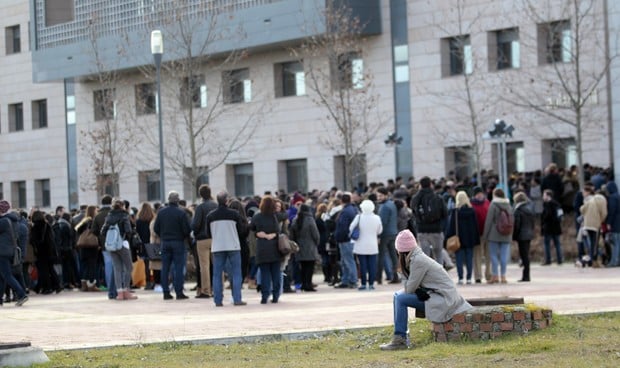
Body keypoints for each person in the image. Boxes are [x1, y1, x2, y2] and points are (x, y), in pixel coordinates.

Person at [379, 229, 472, 350]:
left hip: (444, 300)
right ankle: (399, 337)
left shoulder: (418, 261)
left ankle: (400, 339)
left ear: (400, 250)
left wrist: (401, 272)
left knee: (400, 298)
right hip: (436, 295)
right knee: (397, 296)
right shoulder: (416, 257)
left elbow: (409, 288)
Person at [206, 191, 246, 307]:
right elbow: (241, 230)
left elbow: (208, 233)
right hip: (233, 245)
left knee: (217, 274)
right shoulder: (235, 214)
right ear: (227, 201)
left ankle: (218, 300)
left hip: (217, 246)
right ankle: (237, 298)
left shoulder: (210, 216)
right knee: (236, 273)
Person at [154, 191, 192, 300]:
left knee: (165, 267)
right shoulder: (181, 213)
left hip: (165, 242)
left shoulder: (161, 212)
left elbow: (156, 228)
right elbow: (187, 229)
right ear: (178, 200)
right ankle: (179, 292)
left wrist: (163, 235)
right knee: (178, 268)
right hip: (178, 242)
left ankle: (166, 292)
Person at [101, 199, 136, 301]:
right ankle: (126, 290)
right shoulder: (124, 216)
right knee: (129, 267)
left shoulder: (109, 217)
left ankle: (119, 293)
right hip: (122, 244)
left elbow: (103, 231)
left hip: (112, 246)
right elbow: (128, 231)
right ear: (122, 206)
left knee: (117, 268)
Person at [251, 195, 282, 304]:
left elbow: (252, 228)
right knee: (276, 273)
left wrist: (260, 234)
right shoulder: (275, 216)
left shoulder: (257, 216)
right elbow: (278, 232)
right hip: (274, 248)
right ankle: (276, 296)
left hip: (262, 248)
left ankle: (265, 296)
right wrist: (271, 235)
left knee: (264, 274)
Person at [410, 176, 448, 266]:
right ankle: (439, 276)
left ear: (420, 185)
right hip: (436, 230)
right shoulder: (438, 197)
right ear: (431, 184)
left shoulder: (416, 198)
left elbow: (413, 211)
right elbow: (445, 214)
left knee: (425, 256)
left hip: (422, 230)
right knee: (438, 255)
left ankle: (427, 278)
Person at [444, 191, 480, 285]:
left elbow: (451, 227)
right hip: (470, 239)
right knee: (469, 258)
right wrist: (476, 238)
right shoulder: (472, 211)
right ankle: (469, 278)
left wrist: (447, 237)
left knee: (459, 259)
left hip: (458, 238)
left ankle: (460, 278)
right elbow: (475, 226)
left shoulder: (455, 212)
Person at [191, 184, 218, 299]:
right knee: (217, 265)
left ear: (200, 194)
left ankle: (206, 290)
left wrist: (195, 232)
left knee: (204, 266)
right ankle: (218, 289)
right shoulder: (216, 205)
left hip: (202, 239)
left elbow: (195, 224)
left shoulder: (200, 207)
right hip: (216, 238)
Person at [0, 201, 29, 307]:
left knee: (7, 275)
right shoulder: (14, 220)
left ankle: (21, 294)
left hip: (2, 252)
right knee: (2, 276)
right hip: (10, 251)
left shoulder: (3, 221)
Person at [482, 188, 513, 284]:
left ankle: (495, 276)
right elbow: (512, 219)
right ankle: (503, 276)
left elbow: (489, 221)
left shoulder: (493, 204)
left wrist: (485, 235)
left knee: (493, 255)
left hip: (494, 234)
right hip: (506, 234)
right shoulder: (508, 205)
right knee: (504, 256)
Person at [351, 199, 382, 290]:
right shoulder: (377, 218)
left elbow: (351, 228)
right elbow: (380, 230)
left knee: (362, 265)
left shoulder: (359, 217)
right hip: (373, 245)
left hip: (360, 245)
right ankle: (371, 283)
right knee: (372, 265)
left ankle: (364, 284)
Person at [289, 204, 320, 292]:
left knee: (302, 267)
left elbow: (292, 234)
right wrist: (317, 243)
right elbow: (315, 234)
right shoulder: (310, 220)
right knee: (310, 267)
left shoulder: (296, 220)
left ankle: (303, 284)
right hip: (310, 246)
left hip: (299, 246)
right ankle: (308, 284)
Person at [91, 195, 116, 299]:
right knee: (118, 265)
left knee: (108, 265)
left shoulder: (98, 215)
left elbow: (94, 231)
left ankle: (110, 288)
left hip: (104, 243)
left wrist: (101, 237)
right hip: (116, 242)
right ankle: (119, 287)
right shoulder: (114, 213)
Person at [333, 192, 359, 289]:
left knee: (348, 260)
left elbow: (342, 227)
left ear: (341, 201)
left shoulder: (345, 211)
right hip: (350, 239)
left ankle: (352, 280)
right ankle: (346, 279)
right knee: (346, 260)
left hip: (345, 239)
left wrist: (338, 237)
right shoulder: (353, 209)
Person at [580, 185, 608, 267]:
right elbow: (604, 213)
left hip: (587, 224)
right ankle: (594, 261)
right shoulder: (601, 200)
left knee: (591, 243)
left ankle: (592, 259)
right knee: (595, 243)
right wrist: (601, 220)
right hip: (596, 224)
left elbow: (582, 209)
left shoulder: (589, 200)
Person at [376, 187, 399, 284]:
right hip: (393, 233)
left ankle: (378, 278)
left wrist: (378, 235)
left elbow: (382, 223)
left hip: (385, 234)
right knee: (393, 256)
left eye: (380, 196)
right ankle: (395, 276)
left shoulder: (384, 207)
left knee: (381, 256)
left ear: (386, 195)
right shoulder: (392, 204)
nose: (379, 198)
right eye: (378, 196)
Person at [75, 205, 100, 292]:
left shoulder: (84, 220)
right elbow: (96, 232)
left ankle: (84, 285)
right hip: (92, 246)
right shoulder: (93, 220)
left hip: (83, 246)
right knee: (92, 265)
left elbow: (77, 229)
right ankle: (91, 285)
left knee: (85, 266)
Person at [512, 192, 536, 282]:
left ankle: (526, 276)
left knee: (524, 255)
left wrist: (514, 235)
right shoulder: (529, 209)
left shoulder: (518, 210)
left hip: (521, 235)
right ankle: (526, 274)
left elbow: (517, 224)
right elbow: (532, 223)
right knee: (526, 255)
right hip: (528, 234)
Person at [470, 186, 490, 284]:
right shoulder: (471, 204)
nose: (480, 195)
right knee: (477, 255)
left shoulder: (487, 203)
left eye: (481, 193)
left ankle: (488, 275)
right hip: (476, 234)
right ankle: (478, 276)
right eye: (478, 194)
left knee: (488, 255)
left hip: (488, 234)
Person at [541, 189, 563, 265]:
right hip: (556, 226)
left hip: (548, 226)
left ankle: (548, 260)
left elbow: (547, 215)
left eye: (544, 195)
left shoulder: (547, 205)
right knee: (557, 244)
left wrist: (543, 221)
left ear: (548, 196)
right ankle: (560, 259)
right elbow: (560, 214)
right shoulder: (557, 204)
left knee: (547, 244)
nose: (543, 197)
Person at [606, 181, 620, 267]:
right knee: (618, 242)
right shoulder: (618, 196)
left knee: (615, 243)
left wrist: (608, 222)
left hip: (615, 222)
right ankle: (617, 260)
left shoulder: (612, 198)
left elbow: (612, 211)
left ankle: (613, 261)